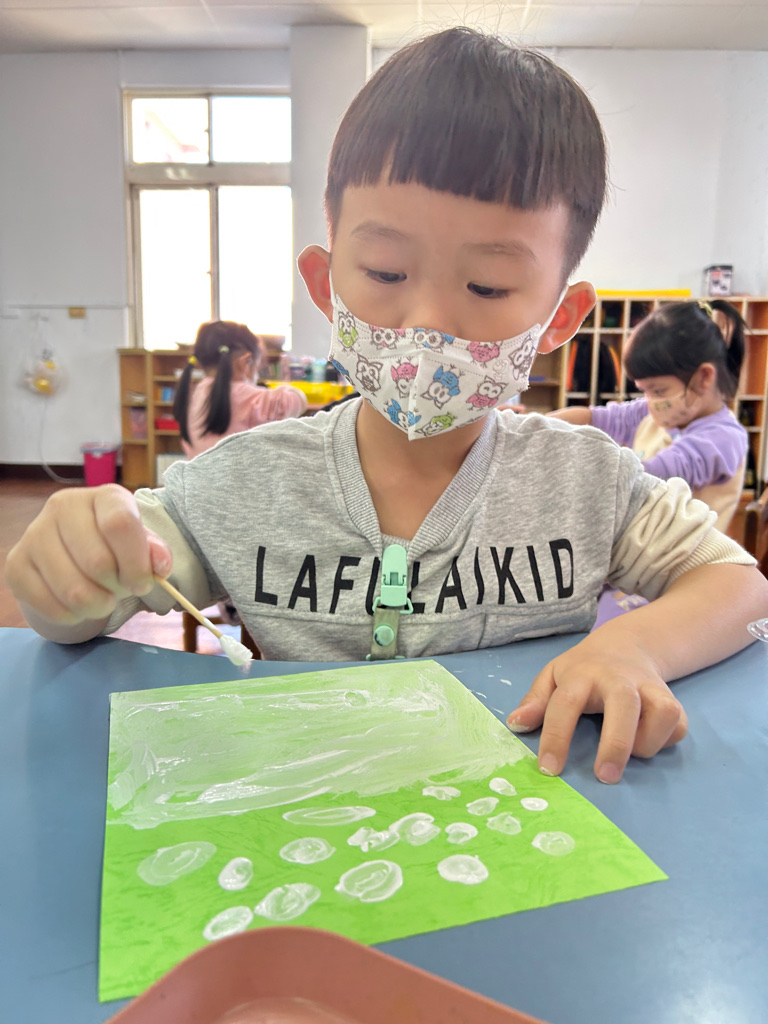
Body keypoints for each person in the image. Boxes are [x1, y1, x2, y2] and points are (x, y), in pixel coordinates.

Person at [7, 29, 768, 788]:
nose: (426, 323)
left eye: (488, 287)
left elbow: (738, 584)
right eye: (384, 271)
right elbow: (85, 605)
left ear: (558, 320)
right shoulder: (245, 481)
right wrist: (68, 571)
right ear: (326, 282)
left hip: (523, 821)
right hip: (308, 824)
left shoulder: (588, 482)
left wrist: (631, 647)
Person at [548, 299, 748, 533]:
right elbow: (594, 418)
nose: (650, 401)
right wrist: (532, 425)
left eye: (658, 390)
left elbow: (655, 477)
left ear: (703, 377)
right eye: (645, 391)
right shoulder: (657, 410)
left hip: (686, 554)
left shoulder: (723, 438)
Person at [174, 320, 307, 458]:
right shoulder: (247, 396)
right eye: (257, 368)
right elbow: (296, 400)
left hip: (200, 471)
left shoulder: (194, 394)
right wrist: (286, 386)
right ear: (246, 362)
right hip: (239, 472)